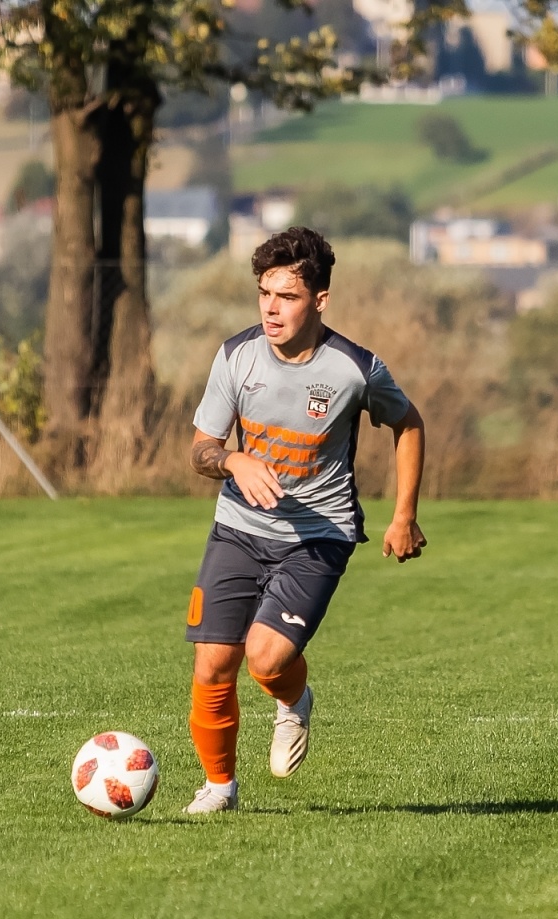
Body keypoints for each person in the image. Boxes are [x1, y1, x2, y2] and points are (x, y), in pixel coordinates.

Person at [182, 227, 427, 814]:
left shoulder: (353, 369)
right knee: (214, 663)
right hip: (239, 529)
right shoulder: (235, 356)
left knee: (266, 658)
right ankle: (220, 788)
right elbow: (200, 451)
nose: (271, 307)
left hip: (319, 536)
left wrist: (404, 515)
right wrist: (234, 459)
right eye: (265, 293)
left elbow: (409, 422)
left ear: (319, 300)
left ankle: (292, 701)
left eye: (287, 296)